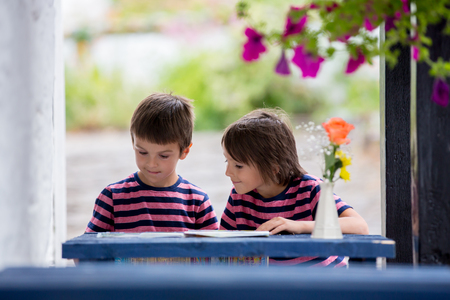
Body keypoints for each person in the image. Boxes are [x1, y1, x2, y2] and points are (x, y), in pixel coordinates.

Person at [220, 108, 369, 267]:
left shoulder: (310, 189)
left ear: (273, 167)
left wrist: (299, 226)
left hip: (325, 285)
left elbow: (360, 226)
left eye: (238, 165)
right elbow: (221, 244)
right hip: (274, 287)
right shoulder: (239, 197)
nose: (228, 172)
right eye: (226, 162)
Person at [86, 93, 219, 233]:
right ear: (133, 143)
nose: (151, 163)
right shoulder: (112, 198)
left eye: (163, 156)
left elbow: (214, 252)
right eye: (142, 152)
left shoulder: (197, 202)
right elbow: (88, 251)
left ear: (184, 152)